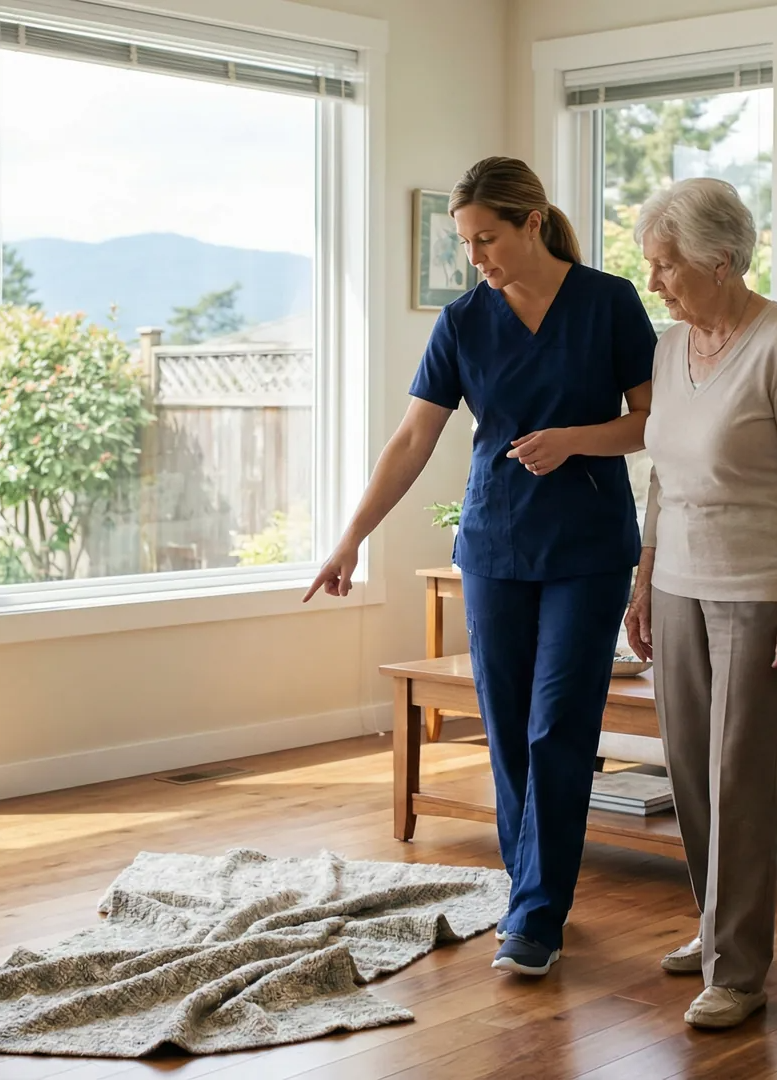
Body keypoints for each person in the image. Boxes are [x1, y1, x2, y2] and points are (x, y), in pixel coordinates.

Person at [305, 156, 656, 976]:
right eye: (466, 243)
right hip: (495, 546)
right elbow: (412, 440)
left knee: (558, 723)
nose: (477, 259)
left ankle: (536, 915)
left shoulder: (609, 303)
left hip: (590, 548)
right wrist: (350, 536)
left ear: (532, 222)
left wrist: (574, 438)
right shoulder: (463, 321)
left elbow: (651, 422)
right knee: (506, 732)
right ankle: (526, 889)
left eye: (487, 239)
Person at [622, 177, 777, 1029]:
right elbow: (662, 476)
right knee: (688, 773)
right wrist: (643, 578)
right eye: (651, 265)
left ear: (721, 263)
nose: (655, 283)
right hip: (676, 583)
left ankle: (740, 970)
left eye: (667, 266)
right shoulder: (668, 347)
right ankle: (715, 926)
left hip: (758, 594)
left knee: (745, 778)